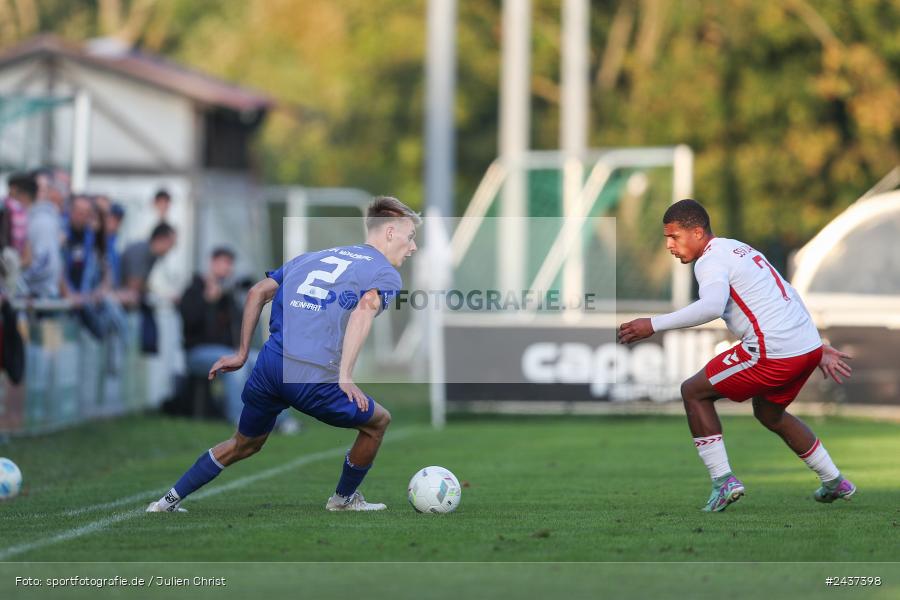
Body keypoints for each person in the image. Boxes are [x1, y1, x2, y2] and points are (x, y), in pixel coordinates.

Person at [147, 196, 418, 513]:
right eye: (410, 236)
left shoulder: (314, 256)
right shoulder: (384, 273)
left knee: (243, 443)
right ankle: (343, 500)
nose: (413, 247)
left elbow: (257, 292)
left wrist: (241, 353)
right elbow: (363, 311)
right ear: (389, 232)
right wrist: (345, 376)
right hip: (311, 375)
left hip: (270, 366)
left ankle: (166, 502)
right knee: (378, 422)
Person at [617, 199, 854, 512]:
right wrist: (816, 345)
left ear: (697, 232)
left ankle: (723, 481)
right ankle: (834, 480)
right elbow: (784, 291)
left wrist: (653, 324)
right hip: (804, 346)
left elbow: (711, 307)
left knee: (693, 392)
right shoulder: (737, 248)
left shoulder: (709, 261)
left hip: (774, 351)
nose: (669, 245)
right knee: (769, 413)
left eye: (674, 237)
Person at [119, 223, 177, 306]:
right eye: (171, 244)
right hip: (123, 301)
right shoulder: (141, 251)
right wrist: (162, 295)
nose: (171, 249)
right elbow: (133, 287)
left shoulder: (152, 255)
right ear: (160, 239)